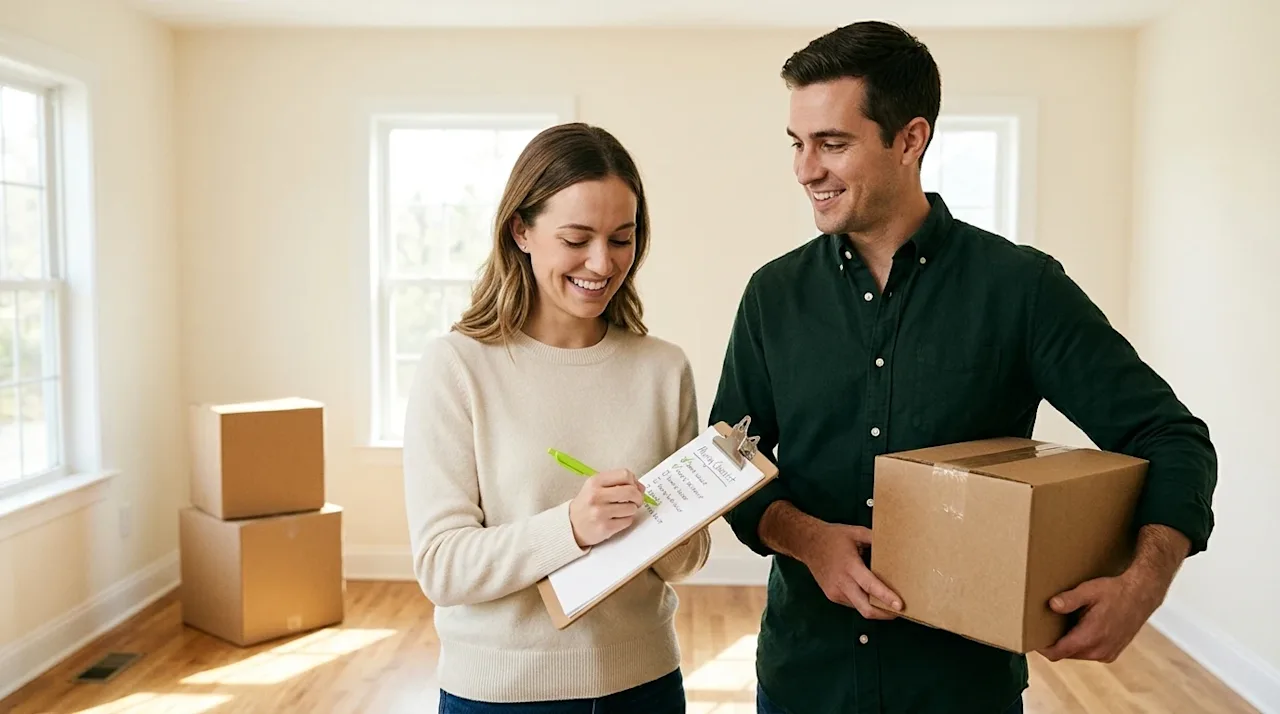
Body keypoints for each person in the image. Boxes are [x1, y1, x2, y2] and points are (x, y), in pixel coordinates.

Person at [707, 20, 1217, 714]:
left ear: (910, 139)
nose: (805, 169)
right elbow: (729, 458)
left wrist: (1141, 585)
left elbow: (1170, 436)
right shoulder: (773, 296)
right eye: (797, 144)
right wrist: (809, 540)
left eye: (832, 143)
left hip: (960, 690)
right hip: (803, 679)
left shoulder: (1021, 289)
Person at [402, 122, 710, 714]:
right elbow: (442, 566)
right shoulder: (458, 366)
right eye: (577, 238)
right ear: (521, 230)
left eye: (622, 238)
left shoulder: (664, 369)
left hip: (644, 687)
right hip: (499, 696)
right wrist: (571, 526)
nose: (602, 262)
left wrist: (666, 521)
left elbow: (687, 559)